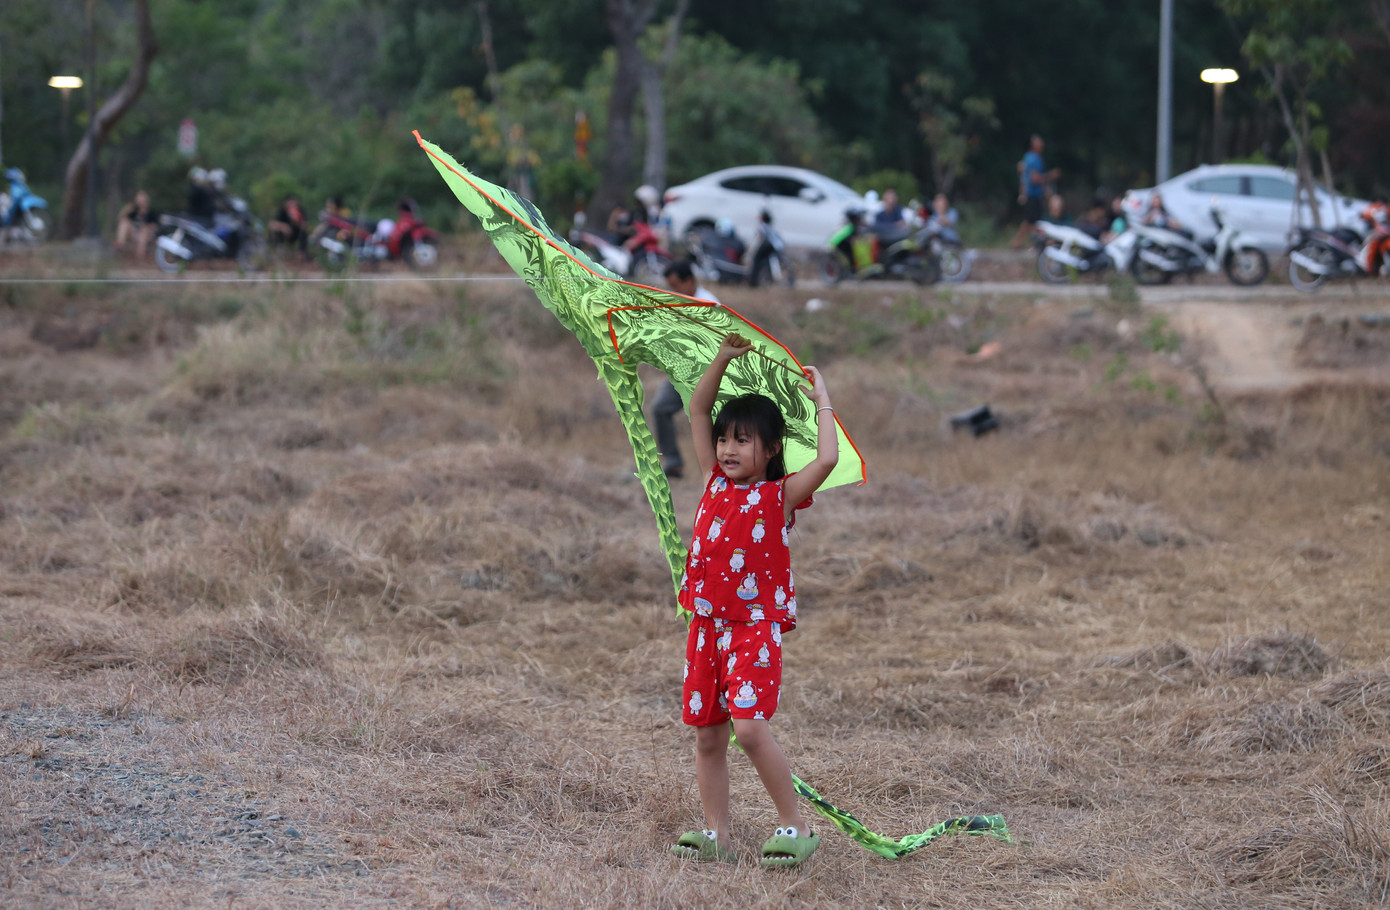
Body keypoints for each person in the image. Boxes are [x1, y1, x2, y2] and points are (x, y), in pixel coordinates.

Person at [668, 332, 838, 868]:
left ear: (769, 450)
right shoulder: (713, 482)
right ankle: (717, 833)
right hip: (707, 627)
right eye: (724, 440)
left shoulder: (779, 496)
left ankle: (796, 826)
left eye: (743, 441)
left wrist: (823, 400)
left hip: (752, 629)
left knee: (748, 728)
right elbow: (697, 408)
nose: (727, 449)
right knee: (708, 738)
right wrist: (721, 359)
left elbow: (829, 458)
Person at [651, 261, 720, 479]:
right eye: (670, 287)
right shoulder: (675, 304)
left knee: (717, 420)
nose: (673, 291)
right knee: (660, 408)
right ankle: (673, 461)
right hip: (681, 372)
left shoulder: (709, 304)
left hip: (708, 373)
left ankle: (724, 470)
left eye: (675, 285)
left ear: (689, 281)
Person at [1010, 134, 1061, 249]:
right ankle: (1029, 243)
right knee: (1035, 222)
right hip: (1033, 194)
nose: (1041, 143)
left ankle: (1023, 243)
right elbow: (1035, 178)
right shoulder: (1033, 158)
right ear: (1033, 145)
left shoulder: (1031, 157)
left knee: (1032, 220)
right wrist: (1051, 175)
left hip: (1033, 194)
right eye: (1038, 141)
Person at [113, 189, 158, 259]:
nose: (140, 202)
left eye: (142, 199)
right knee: (124, 222)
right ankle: (120, 244)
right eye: (138, 199)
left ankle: (140, 256)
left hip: (146, 235)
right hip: (134, 233)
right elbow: (119, 220)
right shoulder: (134, 211)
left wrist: (146, 227)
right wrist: (125, 211)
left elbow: (155, 226)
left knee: (144, 231)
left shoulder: (151, 212)